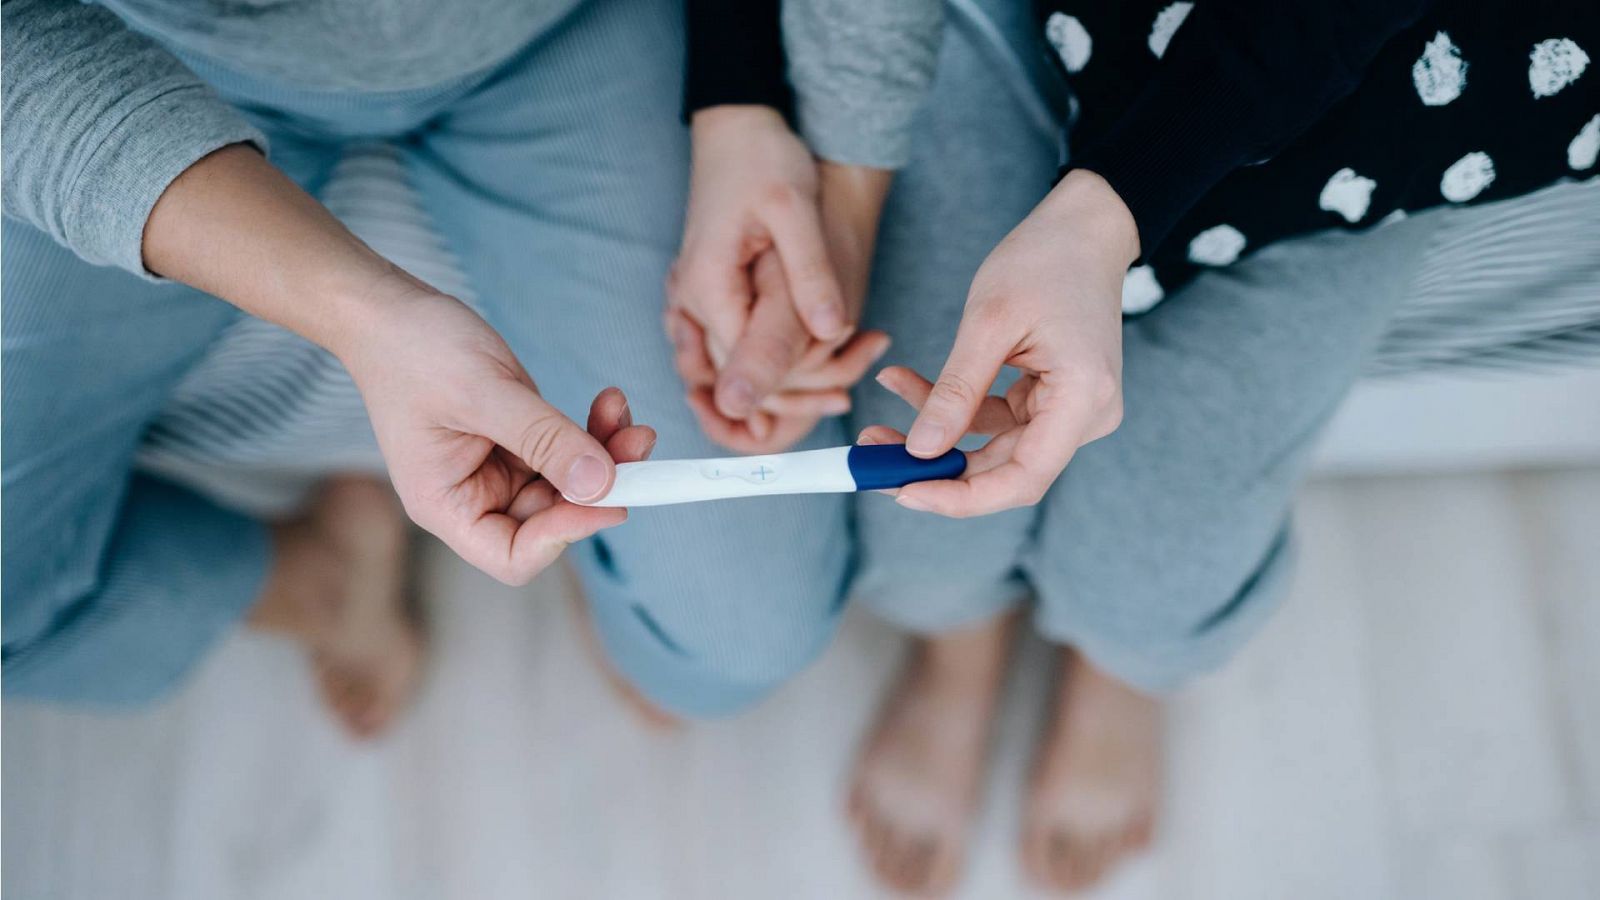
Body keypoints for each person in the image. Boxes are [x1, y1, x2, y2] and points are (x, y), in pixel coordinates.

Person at [672, 0, 1599, 892]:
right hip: (1008, 29)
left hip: (1363, 118)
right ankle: (960, 653)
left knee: (1153, 585)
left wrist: (1106, 213)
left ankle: (1116, 668)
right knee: (921, 538)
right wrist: (841, 198)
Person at [1, 0, 862, 737]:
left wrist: (736, 101)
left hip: (554, 33)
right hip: (121, 64)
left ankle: (602, 576)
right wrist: (366, 315)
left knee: (738, 642)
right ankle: (325, 583)